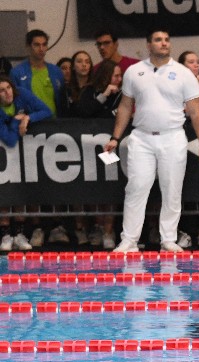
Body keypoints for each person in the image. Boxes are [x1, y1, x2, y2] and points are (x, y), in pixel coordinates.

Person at [103, 28, 199, 253]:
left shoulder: (183, 73)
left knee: (172, 189)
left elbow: (195, 111)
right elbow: (125, 106)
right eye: (158, 40)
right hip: (141, 137)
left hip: (173, 136)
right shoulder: (134, 71)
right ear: (148, 44)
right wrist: (115, 137)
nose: (164, 43)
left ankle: (169, 239)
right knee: (136, 187)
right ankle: (129, 240)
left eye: (166, 40)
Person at [66, 58, 123, 250]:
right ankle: (96, 227)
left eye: (120, 76)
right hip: (89, 149)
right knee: (93, 188)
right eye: (116, 76)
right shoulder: (90, 91)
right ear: (106, 76)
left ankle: (108, 230)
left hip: (110, 148)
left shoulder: (122, 94)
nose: (119, 79)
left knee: (110, 188)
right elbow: (84, 111)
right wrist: (104, 95)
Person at [0, 75, 52, 251]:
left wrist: (28, 118)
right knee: (5, 193)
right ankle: (6, 235)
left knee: (20, 193)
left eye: (8, 88)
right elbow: (9, 139)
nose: (7, 93)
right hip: (5, 155)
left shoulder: (21, 94)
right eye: (2, 90)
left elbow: (46, 111)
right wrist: (16, 122)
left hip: (25, 153)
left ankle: (20, 234)